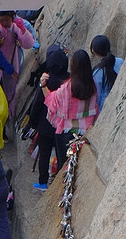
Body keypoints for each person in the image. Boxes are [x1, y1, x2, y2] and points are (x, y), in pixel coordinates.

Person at [40, 49, 98, 180]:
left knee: (64, 166)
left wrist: (43, 86)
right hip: (85, 132)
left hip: (66, 131)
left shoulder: (67, 88)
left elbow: (52, 101)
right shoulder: (92, 86)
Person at [27, 46, 69, 190]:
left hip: (45, 124)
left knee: (44, 154)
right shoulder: (69, 80)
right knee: (61, 153)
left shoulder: (47, 80)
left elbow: (38, 102)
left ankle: (43, 182)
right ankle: (60, 181)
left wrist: (33, 121)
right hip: (63, 124)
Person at [0, 9, 36, 113]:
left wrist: (23, 30)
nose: (4, 23)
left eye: (7, 20)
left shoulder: (16, 28)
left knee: (10, 91)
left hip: (12, 63)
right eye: (2, 20)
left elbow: (28, 44)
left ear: (12, 19)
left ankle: (9, 114)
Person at [89, 34, 123, 111]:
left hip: (105, 108)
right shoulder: (120, 62)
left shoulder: (97, 72)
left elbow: (97, 96)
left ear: (95, 51)